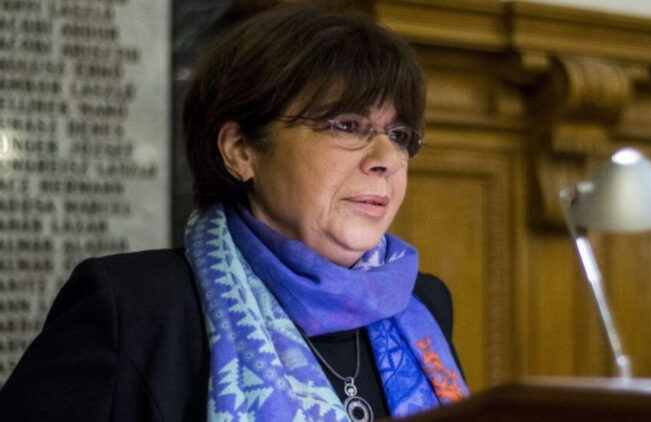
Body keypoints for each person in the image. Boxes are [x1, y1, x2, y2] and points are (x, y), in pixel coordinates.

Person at [0, 5, 468, 421]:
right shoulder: (133, 310)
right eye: (346, 125)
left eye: (400, 135)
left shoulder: (422, 304)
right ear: (241, 150)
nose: (386, 159)